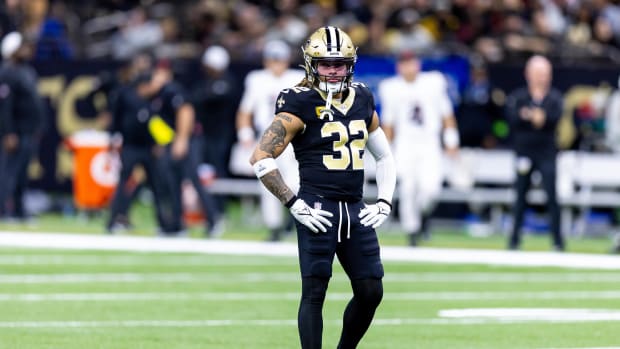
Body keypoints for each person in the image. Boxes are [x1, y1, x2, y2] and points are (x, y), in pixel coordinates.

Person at [249, 26, 396, 349]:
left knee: (371, 290)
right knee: (315, 292)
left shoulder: (363, 97)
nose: (332, 70)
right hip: (317, 208)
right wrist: (293, 202)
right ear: (311, 64)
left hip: (356, 209)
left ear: (350, 64)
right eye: (325, 63)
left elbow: (384, 156)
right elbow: (260, 158)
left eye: (339, 63)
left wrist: (384, 201)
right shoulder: (298, 101)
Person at [378, 49, 459, 246]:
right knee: (408, 188)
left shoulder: (433, 82)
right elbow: (388, 122)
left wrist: (451, 141)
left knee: (431, 189)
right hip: (405, 143)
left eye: (411, 62)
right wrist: (385, 151)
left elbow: (446, 114)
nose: (408, 67)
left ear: (418, 64)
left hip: (429, 142)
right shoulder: (390, 87)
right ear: (399, 67)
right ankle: (412, 231)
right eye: (404, 63)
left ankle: (423, 216)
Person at [236, 39, 305, 241]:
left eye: (280, 59)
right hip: (266, 138)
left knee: (295, 182)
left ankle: (295, 220)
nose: (276, 64)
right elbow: (244, 111)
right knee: (267, 183)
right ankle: (274, 227)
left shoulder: (298, 78)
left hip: (293, 138)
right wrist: (245, 135)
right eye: (272, 60)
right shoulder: (257, 79)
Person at [506, 55, 565, 251]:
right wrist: (534, 117)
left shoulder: (555, 97)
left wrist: (533, 117)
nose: (541, 78)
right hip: (524, 151)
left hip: (547, 153)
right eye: (538, 73)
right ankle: (514, 240)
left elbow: (554, 119)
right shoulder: (519, 96)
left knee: (552, 197)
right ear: (528, 74)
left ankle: (557, 241)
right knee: (520, 197)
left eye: (545, 74)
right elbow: (512, 119)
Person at [0, 32, 46, 221]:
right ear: (12, 50)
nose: (27, 50)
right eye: (22, 47)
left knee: (22, 173)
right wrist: (9, 132)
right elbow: (5, 107)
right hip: (16, 131)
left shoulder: (27, 71)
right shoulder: (7, 72)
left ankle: (19, 209)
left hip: (29, 130)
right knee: (8, 172)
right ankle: (3, 210)